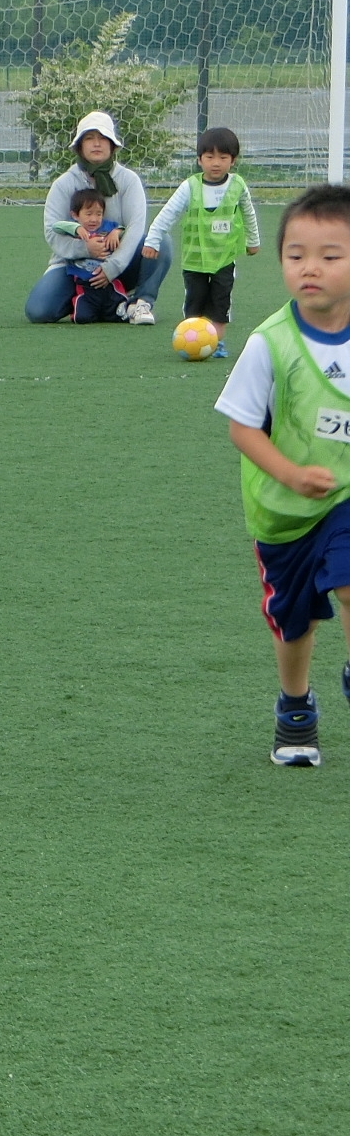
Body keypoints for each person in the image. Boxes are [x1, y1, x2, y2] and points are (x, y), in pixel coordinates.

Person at [212, 186, 350, 766]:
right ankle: (296, 708)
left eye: (329, 255)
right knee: (294, 624)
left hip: (344, 498)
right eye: (296, 256)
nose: (309, 268)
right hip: (282, 512)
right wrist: (291, 475)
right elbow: (242, 429)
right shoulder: (269, 343)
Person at [24, 110, 170, 326]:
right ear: (79, 146)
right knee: (38, 311)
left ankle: (139, 303)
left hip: (120, 264)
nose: (96, 144)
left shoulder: (128, 180)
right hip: (73, 266)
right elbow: (52, 232)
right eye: (89, 138)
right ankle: (89, 299)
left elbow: (136, 227)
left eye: (103, 138)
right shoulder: (64, 184)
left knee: (160, 241)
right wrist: (86, 249)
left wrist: (112, 267)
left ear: (112, 145)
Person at [144, 125, 260, 351]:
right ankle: (192, 342)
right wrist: (152, 240)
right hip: (194, 260)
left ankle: (216, 343)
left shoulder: (238, 186)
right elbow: (168, 213)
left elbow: (249, 213)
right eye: (209, 157)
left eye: (223, 157)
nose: (216, 163)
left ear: (233, 160)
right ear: (199, 160)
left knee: (220, 302)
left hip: (224, 258)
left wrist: (253, 241)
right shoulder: (189, 187)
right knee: (195, 302)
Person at [52, 188, 127, 322]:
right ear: (75, 215)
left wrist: (116, 232)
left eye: (99, 214)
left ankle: (128, 304)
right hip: (85, 285)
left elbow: (124, 228)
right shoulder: (75, 228)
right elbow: (56, 226)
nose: (94, 219)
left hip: (109, 283)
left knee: (120, 315)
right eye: (88, 214)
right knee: (82, 318)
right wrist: (76, 228)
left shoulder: (107, 227)